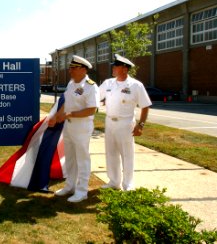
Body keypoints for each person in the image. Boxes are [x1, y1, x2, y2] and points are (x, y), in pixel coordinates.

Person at [49, 55, 99, 203]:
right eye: (70, 68)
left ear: (83, 69)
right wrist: (56, 116)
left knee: (82, 159)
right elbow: (66, 103)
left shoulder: (90, 86)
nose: (70, 70)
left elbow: (92, 110)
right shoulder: (71, 84)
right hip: (69, 126)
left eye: (73, 68)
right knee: (70, 158)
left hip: (82, 126)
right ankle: (69, 186)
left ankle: (82, 191)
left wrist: (69, 114)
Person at [99, 54, 152, 191]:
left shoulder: (135, 85)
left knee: (127, 154)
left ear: (124, 68)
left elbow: (145, 106)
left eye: (115, 66)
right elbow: (96, 98)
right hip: (110, 122)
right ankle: (114, 181)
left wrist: (141, 125)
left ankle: (128, 184)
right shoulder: (108, 83)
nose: (113, 68)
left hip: (125, 123)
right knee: (111, 153)